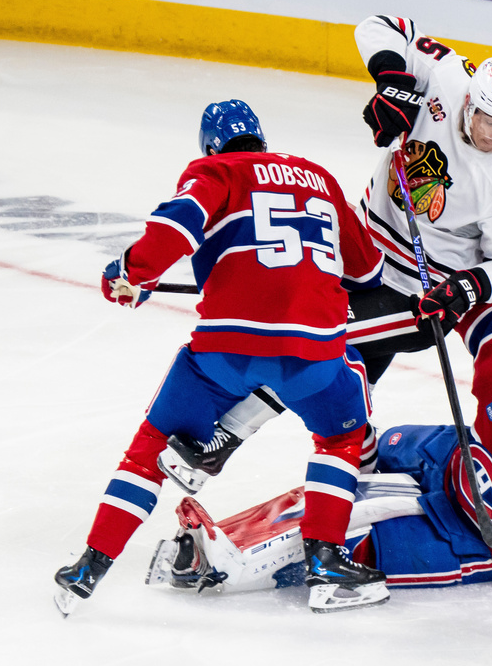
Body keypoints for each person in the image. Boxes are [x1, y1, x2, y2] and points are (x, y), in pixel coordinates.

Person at [158, 14, 492, 494]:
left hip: (418, 295)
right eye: (488, 120)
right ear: (469, 100)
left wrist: (467, 288)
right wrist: (393, 82)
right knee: (347, 368)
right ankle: (357, 465)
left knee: (317, 343)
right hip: (357, 251)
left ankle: (228, 438)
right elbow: (381, 25)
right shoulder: (449, 76)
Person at [147, 306, 492, 630]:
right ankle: (286, 512)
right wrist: (461, 297)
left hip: (477, 537)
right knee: (356, 463)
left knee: (364, 544)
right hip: (449, 456)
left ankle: (228, 562)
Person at [53, 99, 390, 616]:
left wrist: (131, 271)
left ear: (211, 146)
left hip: (225, 353)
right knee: (341, 435)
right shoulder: (319, 176)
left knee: (148, 451)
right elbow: (367, 273)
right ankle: (326, 561)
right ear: (261, 138)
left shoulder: (215, 169)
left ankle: (89, 567)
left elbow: (178, 225)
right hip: (315, 356)